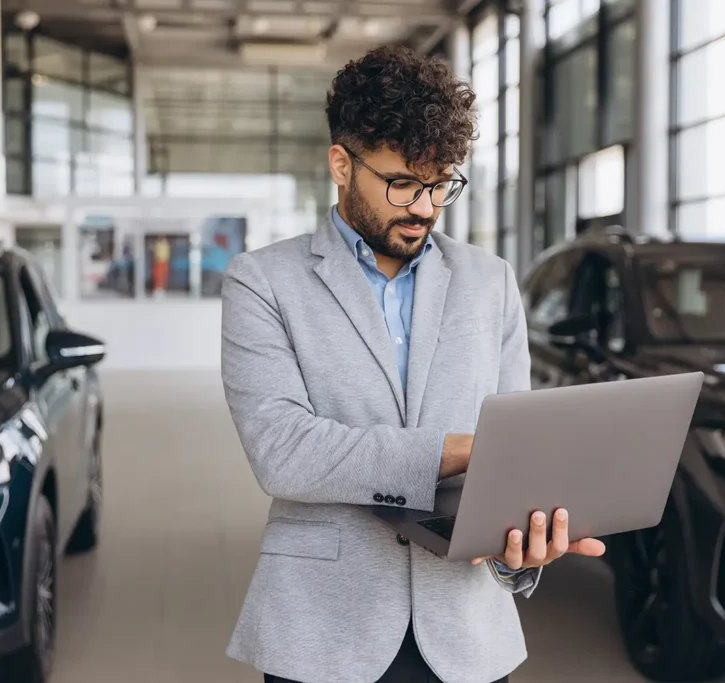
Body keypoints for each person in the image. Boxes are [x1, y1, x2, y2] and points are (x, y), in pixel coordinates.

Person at [220, 45, 606, 683]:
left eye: (440, 184)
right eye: (403, 183)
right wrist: (452, 451)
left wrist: (521, 550)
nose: (424, 207)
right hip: (321, 632)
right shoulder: (263, 281)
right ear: (342, 165)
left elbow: (518, 455)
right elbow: (282, 450)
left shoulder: (490, 281)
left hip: (467, 632)